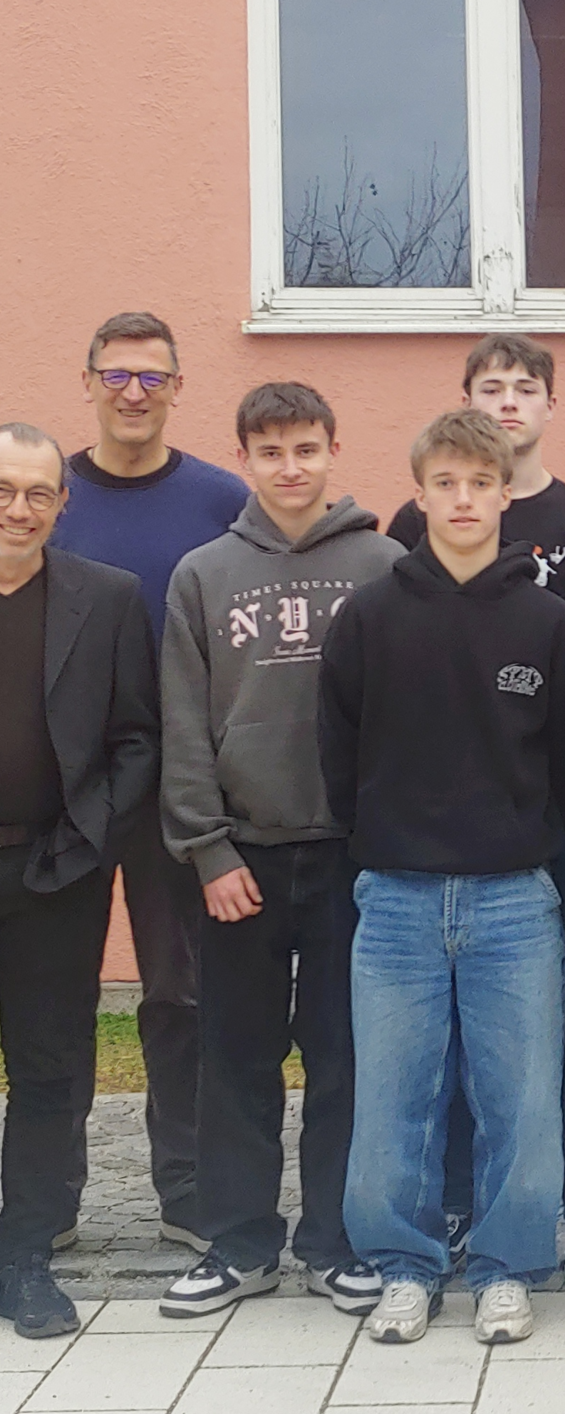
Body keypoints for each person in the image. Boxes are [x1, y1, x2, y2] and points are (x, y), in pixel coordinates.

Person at [322, 409, 565, 1347]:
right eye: (446, 483)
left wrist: (521, 836)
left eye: (482, 482)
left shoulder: (550, 623)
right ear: (421, 493)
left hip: (513, 896)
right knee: (394, 1094)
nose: (464, 499)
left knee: (519, 1095)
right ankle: (403, 1265)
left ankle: (508, 1268)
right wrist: (382, 843)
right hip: (392, 897)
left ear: (506, 491)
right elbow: (337, 750)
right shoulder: (371, 616)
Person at [385, 334, 565, 1284]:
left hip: (563, 814)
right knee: (453, 1016)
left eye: (526, 388)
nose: (510, 401)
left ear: (550, 405)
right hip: (449, 822)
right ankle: (456, 1199)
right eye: (492, 387)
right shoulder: (421, 519)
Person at [156, 384, 402, 1318]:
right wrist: (208, 851)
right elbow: (183, 722)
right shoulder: (202, 574)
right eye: (270, 452)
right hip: (241, 861)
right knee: (238, 1056)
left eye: (306, 449)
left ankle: (334, 1242)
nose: (289, 468)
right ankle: (239, 1243)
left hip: (350, 858)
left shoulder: (383, 562)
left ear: (333, 449)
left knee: (345, 1057)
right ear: (245, 459)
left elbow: (404, 716)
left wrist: (387, 846)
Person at [48, 311, 248, 1251]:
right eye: (117, 375)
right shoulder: (48, 496)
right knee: (54, 999)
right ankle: (46, 1205)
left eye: (152, 377)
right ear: (87, 380)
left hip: (181, 790)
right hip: (62, 795)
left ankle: (187, 1193)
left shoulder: (219, 499)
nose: (134, 392)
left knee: (179, 996)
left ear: (178, 388)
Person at [0, 423, 158, 1337]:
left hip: (53, 871)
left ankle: (25, 1256)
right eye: (5, 488)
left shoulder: (107, 599)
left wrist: (85, 840)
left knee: (49, 1069)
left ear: (63, 505)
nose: (20, 508)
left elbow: (137, 737)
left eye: (38, 493)